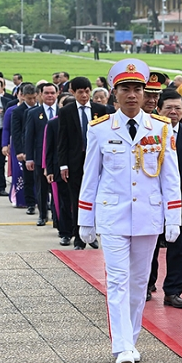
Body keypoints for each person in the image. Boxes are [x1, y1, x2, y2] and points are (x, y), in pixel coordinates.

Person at [78, 58, 182, 363]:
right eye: (126, 89)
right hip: (113, 217)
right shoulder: (99, 129)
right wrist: (85, 219)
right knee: (118, 281)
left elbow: (170, 177)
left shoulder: (161, 129)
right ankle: (121, 346)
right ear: (115, 92)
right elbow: (90, 176)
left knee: (138, 283)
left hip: (148, 217)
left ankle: (132, 340)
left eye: (138, 89)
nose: (133, 95)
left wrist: (173, 216)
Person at [147, 90, 182, 308]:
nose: (174, 112)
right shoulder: (148, 134)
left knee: (177, 247)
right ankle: (147, 285)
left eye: (178, 108)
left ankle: (173, 291)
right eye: (169, 108)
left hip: (180, 201)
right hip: (152, 199)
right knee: (149, 246)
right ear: (159, 109)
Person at [58, 76, 109, 249]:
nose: (85, 95)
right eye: (80, 92)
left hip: (96, 160)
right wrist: (63, 164)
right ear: (72, 92)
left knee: (96, 198)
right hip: (75, 161)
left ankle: (92, 234)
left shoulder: (100, 110)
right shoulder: (66, 111)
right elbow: (62, 140)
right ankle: (79, 236)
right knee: (77, 198)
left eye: (87, 92)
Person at [44, 94, 76, 246]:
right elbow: (49, 149)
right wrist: (49, 169)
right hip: (59, 168)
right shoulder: (53, 124)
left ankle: (81, 232)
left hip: (78, 168)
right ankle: (65, 233)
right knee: (63, 203)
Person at [25, 83, 58, 227]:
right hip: (40, 156)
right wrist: (29, 158)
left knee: (58, 190)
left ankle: (58, 217)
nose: (50, 96)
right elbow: (29, 137)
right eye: (46, 93)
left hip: (58, 157)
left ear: (57, 94)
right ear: (41, 94)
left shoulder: (62, 111)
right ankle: (43, 214)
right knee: (41, 188)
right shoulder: (33, 113)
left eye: (52, 93)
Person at [8, 84, 38, 210]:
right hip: (26, 149)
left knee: (41, 177)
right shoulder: (18, 111)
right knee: (28, 178)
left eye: (34, 98)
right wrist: (20, 151)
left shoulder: (40, 109)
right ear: (23, 96)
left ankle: (43, 201)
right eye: (29, 98)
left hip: (40, 148)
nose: (32, 101)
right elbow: (16, 133)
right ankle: (30, 203)